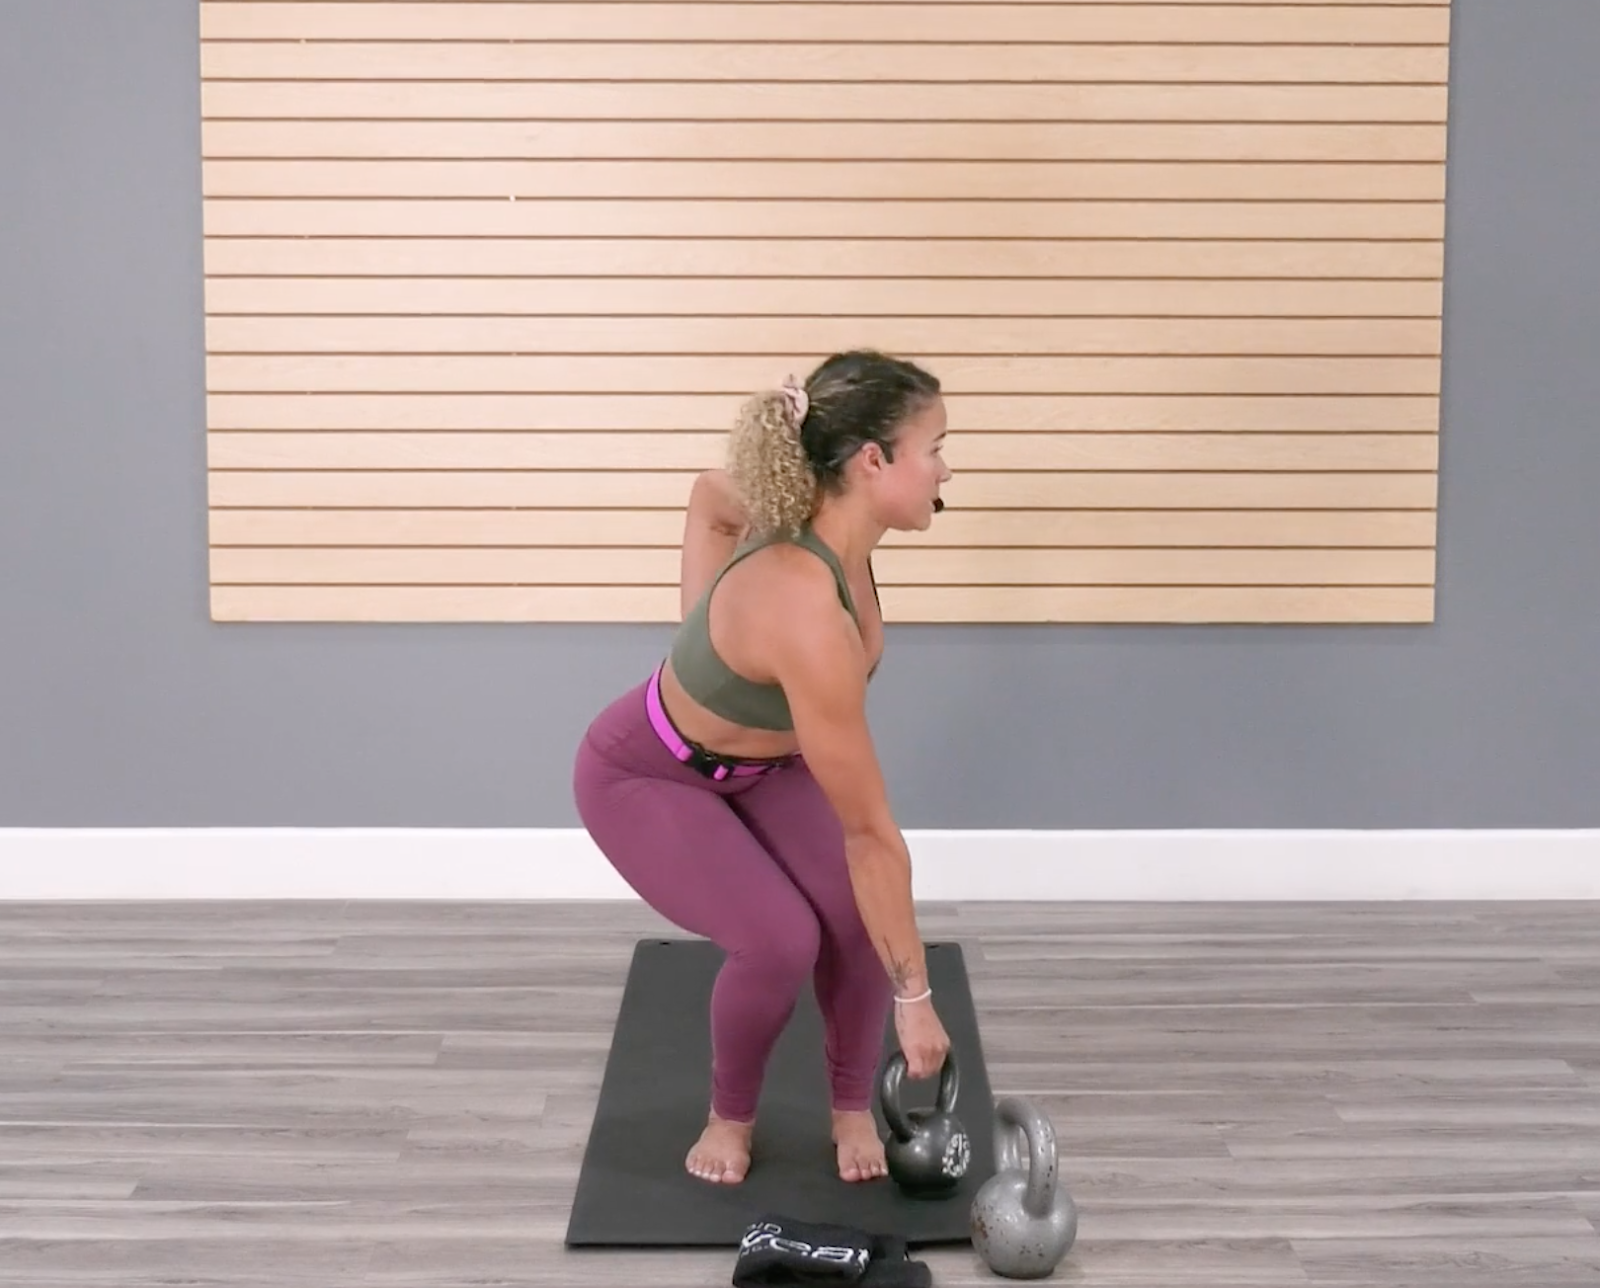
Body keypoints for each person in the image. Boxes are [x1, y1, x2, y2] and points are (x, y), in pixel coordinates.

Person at [571, 349, 955, 1188]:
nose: (945, 468)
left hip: (767, 771)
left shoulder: (821, 521)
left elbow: (712, 500)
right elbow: (870, 834)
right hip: (650, 773)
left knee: (855, 922)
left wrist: (703, 632)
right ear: (873, 460)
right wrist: (915, 998)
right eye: (934, 447)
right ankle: (729, 1117)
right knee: (780, 940)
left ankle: (851, 1104)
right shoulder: (803, 606)